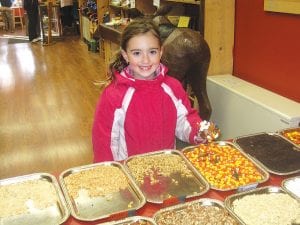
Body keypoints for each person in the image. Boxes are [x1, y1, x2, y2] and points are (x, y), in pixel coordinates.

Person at [92, 18, 220, 162]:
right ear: (125, 55)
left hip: (166, 168)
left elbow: (184, 119)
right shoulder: (114, 96)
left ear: (161, 52)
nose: (145, 60)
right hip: (130, 174)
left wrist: (199, 131)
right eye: (137, 53)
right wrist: (109, 175)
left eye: (152, 52)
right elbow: (104, 141)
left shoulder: (173, 87)